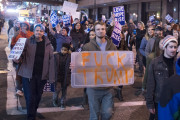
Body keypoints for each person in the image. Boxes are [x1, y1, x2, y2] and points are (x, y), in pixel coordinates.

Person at [14, 24, 55, 120]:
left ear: (43, 32)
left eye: (41, 31)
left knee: (37, 97)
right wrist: (17, 59)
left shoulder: (48, 44)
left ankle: (33, 111)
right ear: (34, 31)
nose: (38, 32)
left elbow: (51, 60)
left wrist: (51, 77)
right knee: (30, 97)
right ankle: (31, 117)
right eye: (37, 30)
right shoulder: (27, 41)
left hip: (42, 76)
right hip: (28, 75)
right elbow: (21, 54)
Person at [81, 22, 117, 120]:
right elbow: (82, 64)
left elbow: (116, 63)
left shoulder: (112, 46)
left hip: (108, 87)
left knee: (108, 113)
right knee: (94, 115)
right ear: (94, 31)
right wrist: (76, 65)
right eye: (98, 29)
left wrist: (127, 62)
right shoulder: (87, 47)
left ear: (105, 30)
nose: (100, 31)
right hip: (93, 87)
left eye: (102, 29)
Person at [146, 35, 178, 120]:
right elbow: (150, 84)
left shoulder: (177, 63)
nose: (173, 49)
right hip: (160, 102)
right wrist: (150, 104)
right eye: (171, 47)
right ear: (165, 47)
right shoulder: (155, 63)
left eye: (175, 47)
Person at [11, 21, 34, 97]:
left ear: (28, 26)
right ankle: (19, 89)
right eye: (22, 26)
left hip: (29, 57)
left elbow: (33, 43)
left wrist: (26, 34)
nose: (23, 27)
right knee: (19, 73)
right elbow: (13, 46)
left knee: (28, 73)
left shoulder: (31, 34)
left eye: (25, 26)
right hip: (19, 58)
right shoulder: (17, 34)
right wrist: (14, 57)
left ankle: (25, 87)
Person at [53, 43, 71, 109]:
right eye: (62, 49)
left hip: (66, 76)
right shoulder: (56, 55)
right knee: (57, 90)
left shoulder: (70, 57)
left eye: (65, 50)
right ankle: (55, 100)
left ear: (68, 50)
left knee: (64, 91)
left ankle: (63, 103)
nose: (63, 51)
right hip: (57, 76)